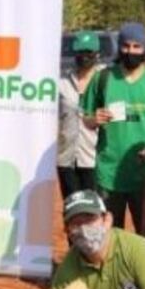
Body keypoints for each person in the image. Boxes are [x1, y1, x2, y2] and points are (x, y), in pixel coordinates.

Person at [82, 22, 145, 244]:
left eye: (136, 46)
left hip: (144, 173)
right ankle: (114, 277)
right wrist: (94, 119)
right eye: (125, 46)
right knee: (109, 235)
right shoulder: (102, 78)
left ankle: (144, 277)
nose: (130, 51)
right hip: (108, 172)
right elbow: (86, 118)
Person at [56, 33, 101, 198]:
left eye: (88, 52)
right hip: (66, 158)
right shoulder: (62, 82)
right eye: (79, 52)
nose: (83, 56)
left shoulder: (106, 80)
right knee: (72, 210)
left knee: (96, 213)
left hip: (95, 159)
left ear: (97, 53)